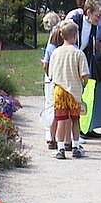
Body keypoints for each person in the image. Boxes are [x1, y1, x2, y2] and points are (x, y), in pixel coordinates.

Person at [47, 20, 89, 159]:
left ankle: (60, 149)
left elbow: (51, 73)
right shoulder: (78, 53)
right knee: (74, 120)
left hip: (59, 90)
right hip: (74, 91)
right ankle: (75, 146)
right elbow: (85, 74)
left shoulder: (55, 53)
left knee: (61, 119)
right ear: (75, 35)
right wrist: (84, 84)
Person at [70, 0, 101, 140]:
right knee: (72, 97)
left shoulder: (93, 26)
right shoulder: (75, 23)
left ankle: (83, 129)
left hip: (82, 64)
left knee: (82, 97)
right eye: (98, 16)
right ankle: (71, 133)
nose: (100, 19)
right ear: (88, 12)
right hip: (71, 64)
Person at [41, 20, 64, 149]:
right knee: (57, 108)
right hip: (59, 80)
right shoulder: (60, 48)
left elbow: (45, 64)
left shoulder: (50, 47)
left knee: (52, 107)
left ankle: (51, 137)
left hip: (52, 79)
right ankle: (58, 137)